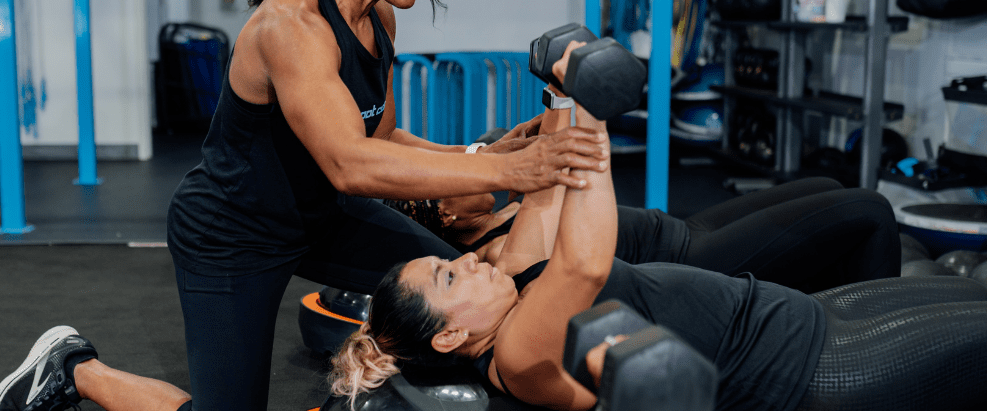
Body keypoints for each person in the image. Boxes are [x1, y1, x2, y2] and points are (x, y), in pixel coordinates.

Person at [164, 0, 607, 411]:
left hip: (324, 217)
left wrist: (481, 151)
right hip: (232, 234)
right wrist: (507, 169)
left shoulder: (379, 15)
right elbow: (350, 164)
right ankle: (77, 368)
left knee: (483, 295)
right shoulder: (291, 24)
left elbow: (380, 139)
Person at [329, 43, 987, 411]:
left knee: (984, 300)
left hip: (802, 316)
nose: (469, 262)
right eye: (450, 274)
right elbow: (584, 264)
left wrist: (561, 86)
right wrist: (593, 111)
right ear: (450, 335)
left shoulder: (507, 279)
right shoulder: (517, 355)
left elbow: (544, 193)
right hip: (807, 370)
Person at [386, 172, 901, 294]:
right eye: (451, 183)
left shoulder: (494, 218)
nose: (469, 172)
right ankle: (868, 328)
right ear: (444, 216)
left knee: (829, 185)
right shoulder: (497, 251)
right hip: (695, 258)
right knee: (869, 208)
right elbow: (559, 160)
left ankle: (828, 291)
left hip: (681, 225)